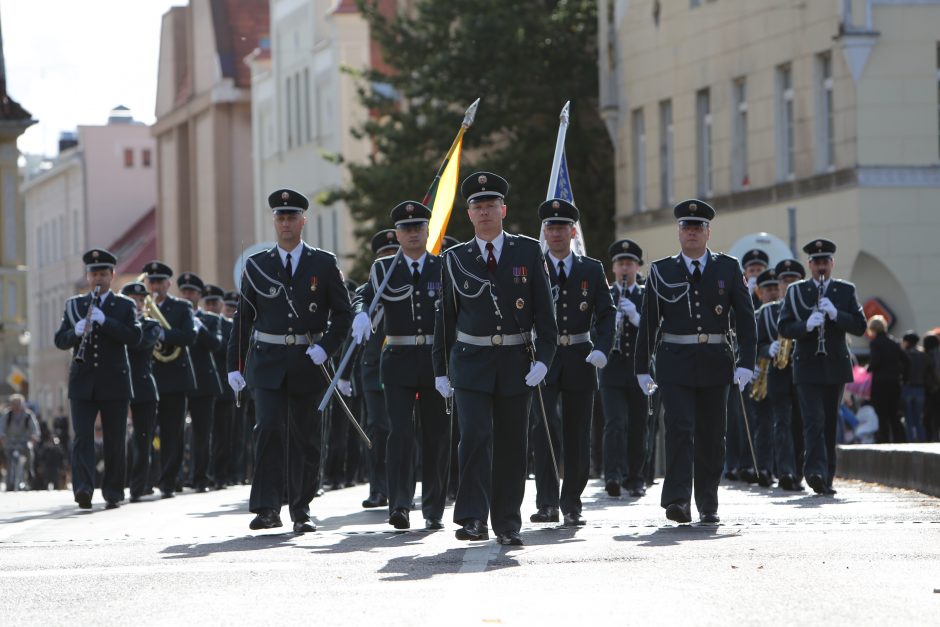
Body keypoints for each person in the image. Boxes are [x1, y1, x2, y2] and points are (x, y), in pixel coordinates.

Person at [433, 171, 557, 545]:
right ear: (469, 215)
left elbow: (545, 315)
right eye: (477, 206)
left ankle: (507, 522)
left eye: (491, 205)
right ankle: (472, 518)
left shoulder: (527, 251)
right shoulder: (454, 259)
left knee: (511, 444)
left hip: (516, 362)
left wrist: (544, 360)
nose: (485, 212)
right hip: (471, 362)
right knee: (473, 437)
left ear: (503, 209)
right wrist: (441, 370)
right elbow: (445, 320)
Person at [227, 188, 352, 533]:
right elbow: (243, 320)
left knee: (306, 438)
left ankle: (301, 508)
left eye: (292, 216)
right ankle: (267, 507)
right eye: (280, 217)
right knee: (268, 430)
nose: (286, 223)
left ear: (303, 221)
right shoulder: (257, 265)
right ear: (274, 222)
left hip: (307, 362)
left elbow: (342, 314)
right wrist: (234, 366)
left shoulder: (323, 263)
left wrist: (326, 347)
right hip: (267, 364)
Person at [635, 199, 755, 525]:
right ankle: (677, 500)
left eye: (697, 227)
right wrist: (642, 368)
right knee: (679, 429)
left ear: (707, 232)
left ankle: (707, 501)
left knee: (712, 436)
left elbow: (745, 318)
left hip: (716, 361)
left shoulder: (728, 268)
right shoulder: (662, 270)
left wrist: (747, 361)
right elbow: (649, 323)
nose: (691, 232)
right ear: (678, 232)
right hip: (675, 363)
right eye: (686, 227)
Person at [353, 201, 451, 531]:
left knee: (436, 434)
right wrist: (362, 313)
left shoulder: (443, 266)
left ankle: (434, 507)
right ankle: (399, 505)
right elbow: (365, 296)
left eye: (418, 228)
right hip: (397, 359)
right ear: (397, 234)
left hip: (435, 361)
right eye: (406, 229)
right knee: (401, 434)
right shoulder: (383, 269)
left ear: (427, 231)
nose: (412, 234)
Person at [529, 198, 614, 526]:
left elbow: (607, 313)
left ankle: (572, 502)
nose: (556, 233)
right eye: (550, 227)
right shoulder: (534, 266)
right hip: (544, 360)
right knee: (544, 429)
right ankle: (547, 502)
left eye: (562, 227)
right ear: (545, 232)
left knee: (578, 431)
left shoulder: (591, 269)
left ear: (572, 231)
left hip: (580, 356)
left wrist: (602, 348)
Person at [778, 238, 867, 495]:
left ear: (832, 263)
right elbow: (784, 327)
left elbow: (860, 326)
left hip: (835, 365)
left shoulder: (845, 290)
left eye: (825, 262)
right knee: (813, 419)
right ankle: (814, 472)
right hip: (806, 366)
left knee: (829, 422)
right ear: (809, 264)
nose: (821, 267)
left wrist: (837, 314)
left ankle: (827, 476)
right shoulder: (796, 291)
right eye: (816, 262)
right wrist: (805, 325)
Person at [54, 249, 141, 509]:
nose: (98, 278)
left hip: (114, 381)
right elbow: (60, 339)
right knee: (82, 437)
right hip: (82, 381)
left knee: (115, 439)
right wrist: (74, 332)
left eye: (103, 273)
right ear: (88, 276)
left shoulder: (124, 305)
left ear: (112, 275)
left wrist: (106, 322)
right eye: (94, 274)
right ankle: (83, 488)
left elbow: (135, 337)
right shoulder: (74, 305)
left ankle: (113, 491)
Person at [341, 230, 400, 509]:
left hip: (405, 367)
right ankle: (378, 488)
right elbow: (355, 336)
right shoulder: (370, 290)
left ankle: (402, 487)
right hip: (374, 370)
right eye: (384, 256)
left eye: (393, 254)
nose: (389, 260)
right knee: (377, 428)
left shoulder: (409, 285)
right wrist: (343, 374)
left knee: (403, 429)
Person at [142, 260, 198, 499]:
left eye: (159, 281)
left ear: (168, 283)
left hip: (175, 378)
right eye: (151, 281)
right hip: (150, 377)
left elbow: (189, 337)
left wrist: (163, 333)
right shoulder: (141, 307)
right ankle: (145, 479)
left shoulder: (181, 307)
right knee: (145, 433)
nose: (155, 286)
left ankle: (168, 480)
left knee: (172, 432)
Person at [600, 239, 648, 498]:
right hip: (612, 369)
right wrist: (611, 324)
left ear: (637, 267)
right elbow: (595, 329)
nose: (625, 268)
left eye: (630, 263)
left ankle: (636, 477)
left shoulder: (646, 295)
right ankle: (613, 476)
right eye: (621, 263)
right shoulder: (606, 296)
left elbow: (656, 331)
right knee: (615, 423)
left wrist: (636, 318)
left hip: (641, 370)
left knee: (640, 424)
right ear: (614, 268)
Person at [177, 272, 224, 491]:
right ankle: (175, 478)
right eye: (184, 291)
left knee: (202, 434)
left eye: (192, 292)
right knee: (174, 432)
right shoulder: (174, 315)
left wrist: (198, 326)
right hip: (180, 380)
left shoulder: (211, 319)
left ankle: (200, 477)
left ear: (199, 295)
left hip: (204, 382)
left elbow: (216, 344)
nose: (187, 295)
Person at [120, 282, 163, 502]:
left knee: (143, 440)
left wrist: (126, 325)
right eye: (131, 300)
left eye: (139, 300)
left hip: (144, 389)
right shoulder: (117, 324)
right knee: (117, 440)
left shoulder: (151, 325)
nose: (136, 304)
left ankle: (138, 487)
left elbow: (140, 344)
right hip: (118, 387)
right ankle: (119, 484)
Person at [203, 284, 236, 489]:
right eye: (208, 303)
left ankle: (222, 474)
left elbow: (225, 348)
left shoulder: (227, 325)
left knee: (224, 435)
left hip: (224, 387)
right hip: (205, 386)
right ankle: (204, 473)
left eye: (214, 303)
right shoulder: (199, 321)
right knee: (205, 434)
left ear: (221, 304)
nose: (211, 306)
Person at [751, 268, 782, 487]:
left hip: (783, 375)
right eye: (767, 289)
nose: (772, 292)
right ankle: (763, 468)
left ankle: (783, 469)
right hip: (761, 374)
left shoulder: (785, 312)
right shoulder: (756, 315)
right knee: (764, 425)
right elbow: (749, 344)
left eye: (774, 288)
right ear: (759, 292)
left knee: (783, 424)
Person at [866, 315, 907, 443]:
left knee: (881, 414)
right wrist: (904, 378)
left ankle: (884, 440)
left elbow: (876, 361)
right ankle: (899, 440)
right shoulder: (894, 343)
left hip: (880, 384)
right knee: (894, 413)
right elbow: (907, 361)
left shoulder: (875, 343)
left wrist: (869, 368)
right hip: (894, 383)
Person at [0, 394, 40, 491]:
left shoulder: (28, 415)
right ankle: (9, 482)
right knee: (9, 460)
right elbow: (1, 428)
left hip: (24, 443)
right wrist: (2, 438)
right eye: (14, 404)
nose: (16, 406)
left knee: (29, 453)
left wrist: (34, 438)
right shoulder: (7, 415)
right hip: (10, 444)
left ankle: (29, 471)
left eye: (18, 404)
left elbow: (35, 430)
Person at [900, 331, 929, 442]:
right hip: (920, 388)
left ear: (907, 341)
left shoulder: (904, 354)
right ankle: (922, 441)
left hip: (907, 387)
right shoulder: (924, 355)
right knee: (919, 419)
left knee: (909, 419)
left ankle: (911, 441)